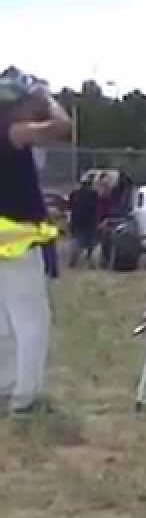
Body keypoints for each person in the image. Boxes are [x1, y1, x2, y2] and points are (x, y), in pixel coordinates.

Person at [0, 68, 72, 417]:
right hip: (15, 235)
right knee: (31, 318)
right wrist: (47, 97)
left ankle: (5, 387)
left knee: (3, 317)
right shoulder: (10, 130)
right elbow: (62, 127)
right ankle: (26, 398)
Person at [68, 179, 100, 268]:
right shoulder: (94, 194)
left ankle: (73, 262)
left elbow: (70, 208)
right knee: (91, 244)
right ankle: (91, 263)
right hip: (91, 222)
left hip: (77, 222)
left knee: (77, 242)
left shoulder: (74, 194)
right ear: (90, 184)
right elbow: (97, 208)